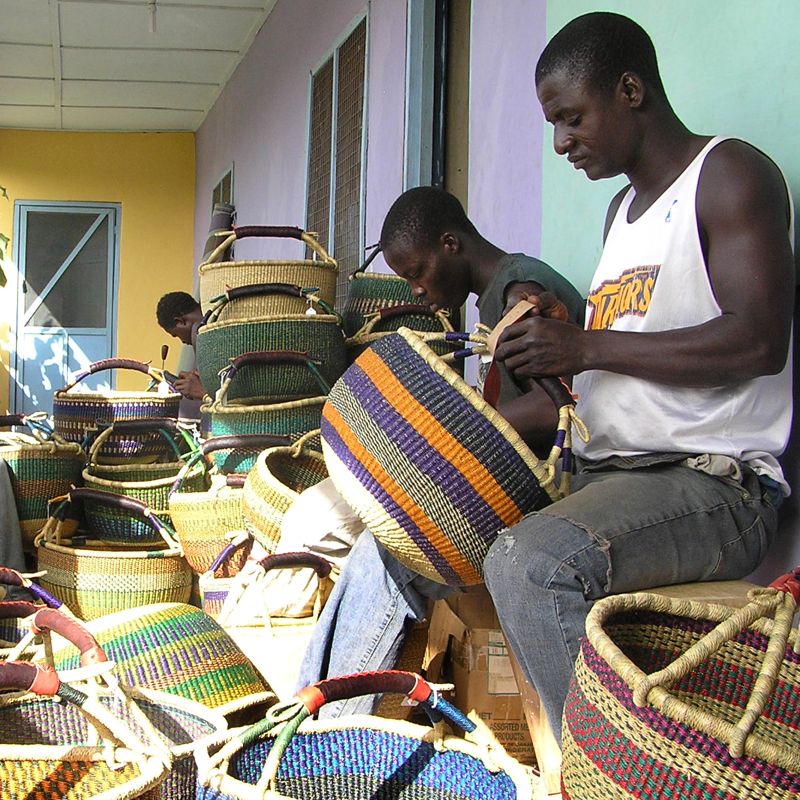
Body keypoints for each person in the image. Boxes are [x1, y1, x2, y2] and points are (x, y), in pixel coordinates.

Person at [484, 11, 793, 744]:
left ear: (629, 90)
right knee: (428, 522)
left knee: (531, 567)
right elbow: (622, 352)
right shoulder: (620, 213)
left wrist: (586, 347)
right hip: (612, 473)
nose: (561, 142)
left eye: (570, 117)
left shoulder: (729, 175)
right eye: (554, 124)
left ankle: (605, 775)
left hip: (713, 484)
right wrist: (554, 349)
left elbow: (759, 340)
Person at [296, 185, 585, 714]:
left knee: (388, 556)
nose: (418, 292)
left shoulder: (521, 290)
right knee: (374, 541)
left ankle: (327, 721)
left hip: (546, 498)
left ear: (451, 243)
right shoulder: (499, 295)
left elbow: (556, 409)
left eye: (416, 273)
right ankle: (310, 705)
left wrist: (455, 430)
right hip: (510, 490)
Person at [156, 291, 206, 402]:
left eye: (176, 335)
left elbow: (234, 396)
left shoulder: (201, 332)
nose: (183, 341)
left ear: (180, 321)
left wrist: (202, 391)